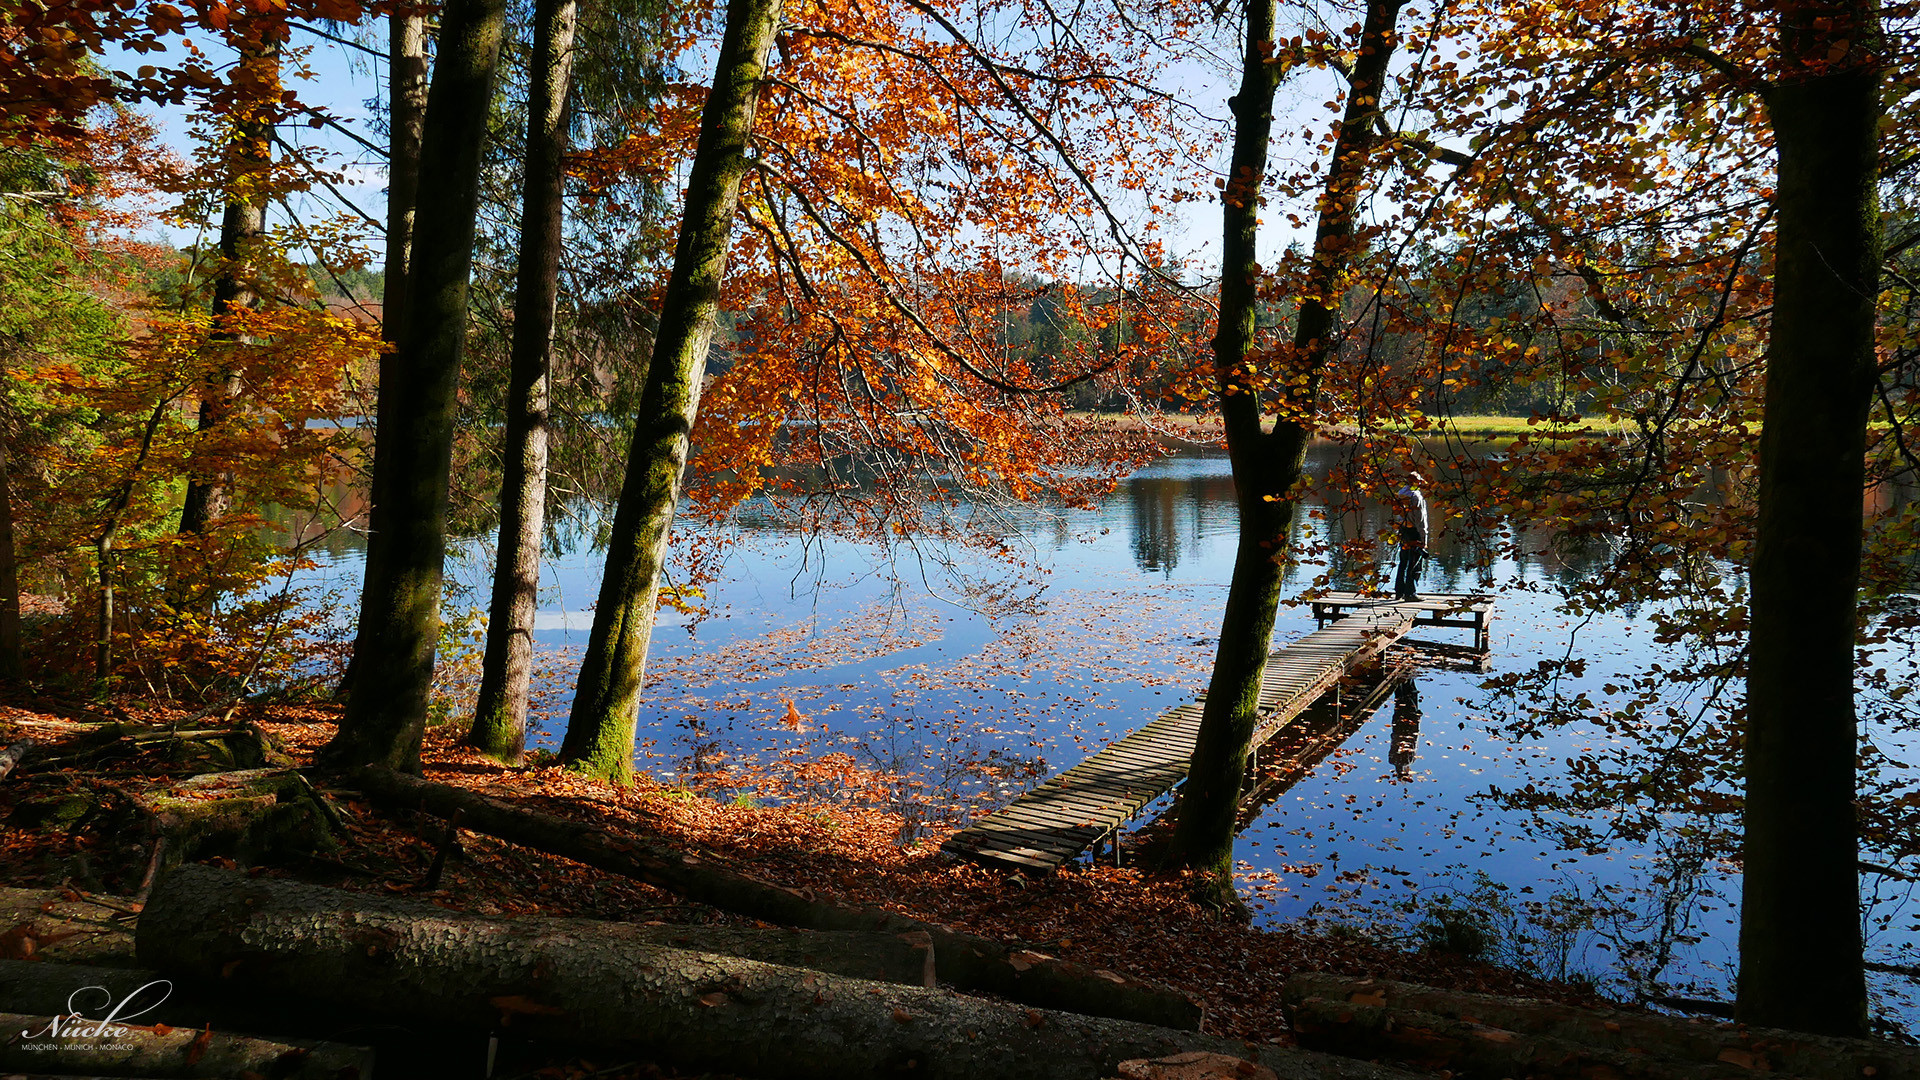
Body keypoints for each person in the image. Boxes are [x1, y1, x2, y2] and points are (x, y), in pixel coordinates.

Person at [1390, 473, 1428, 601]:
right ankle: (1410, 593)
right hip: (1414, 532)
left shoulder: (1401, 492)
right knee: (1415, 564)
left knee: (1403, 562)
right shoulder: (1415, 496)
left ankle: (1399, 591)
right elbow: (1421, 520)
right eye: (1419, 481)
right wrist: (1424, 539)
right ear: (1416, 482)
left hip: (1403, 530)